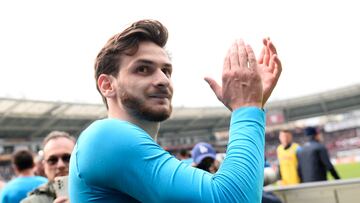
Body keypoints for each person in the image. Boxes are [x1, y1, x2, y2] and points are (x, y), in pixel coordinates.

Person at [69, 19, 282, 202]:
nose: (162, 80)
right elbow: (233, 198)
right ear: (107, 85)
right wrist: (247, 108)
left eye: (166, 70)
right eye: (143, 69)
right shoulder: (106, 137)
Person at [21, 131, 76, 203]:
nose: (60, 165)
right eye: (52, 160)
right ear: (44, 166)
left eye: (67, 158)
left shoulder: (94, 195)